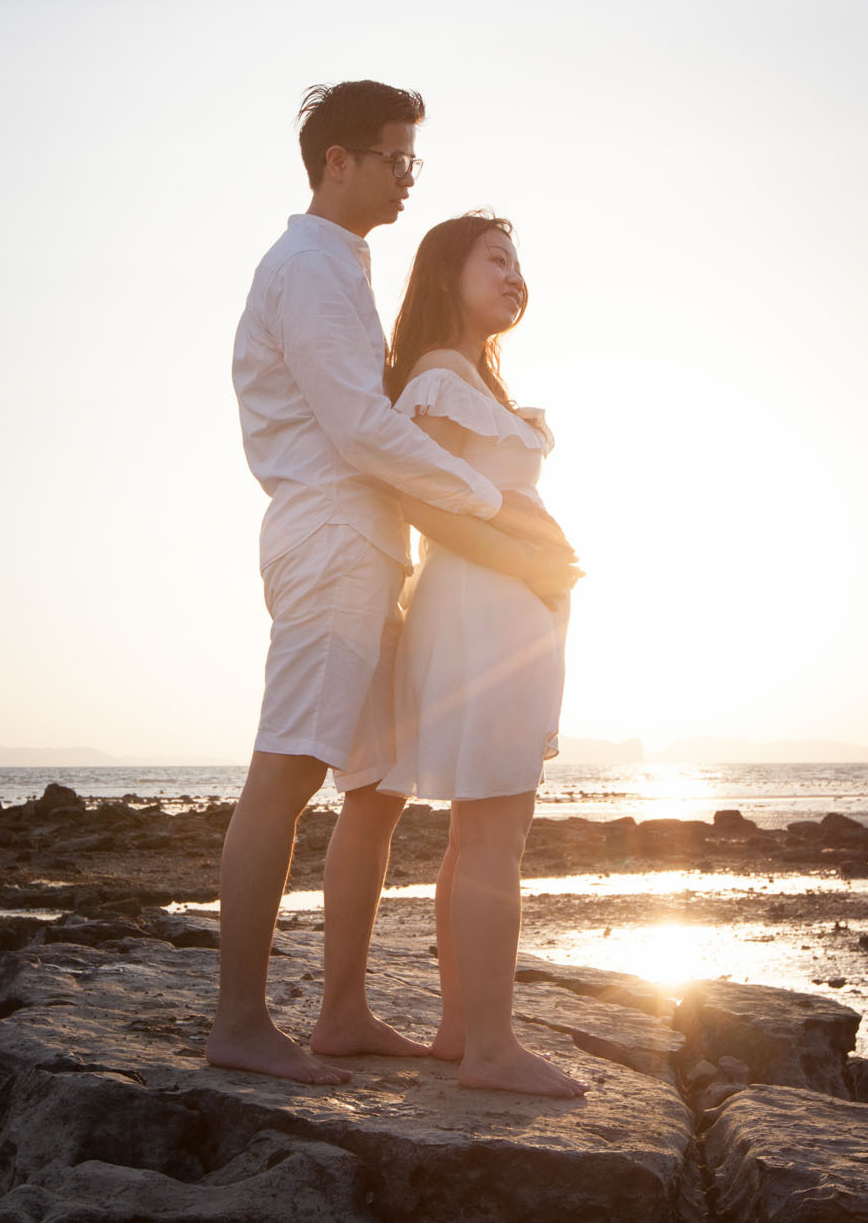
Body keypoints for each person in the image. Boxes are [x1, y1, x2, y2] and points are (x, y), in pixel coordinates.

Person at [211, 83, 580, 1086]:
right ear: (337, 160)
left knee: (369, 788)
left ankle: (340, 1012)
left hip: (374, 551)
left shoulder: (344, 267)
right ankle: (239, 1021)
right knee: (286, 771)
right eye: (393, 158)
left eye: (413, 159)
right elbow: (360, 429)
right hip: (332, 537)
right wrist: (493, 508)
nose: (408, 175)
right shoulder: (305, 267)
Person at [344, 212, 588, 1097]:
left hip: (503, 614)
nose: (515, 273)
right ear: (449, 273)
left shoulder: (473, 379)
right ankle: (490, 1047)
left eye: (521, 260)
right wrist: (527, 550)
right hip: (483, 613)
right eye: (497, 258)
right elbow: (423, 501)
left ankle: (461, 1027)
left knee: (482, 832)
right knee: (494, 835)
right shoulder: (441, 377)